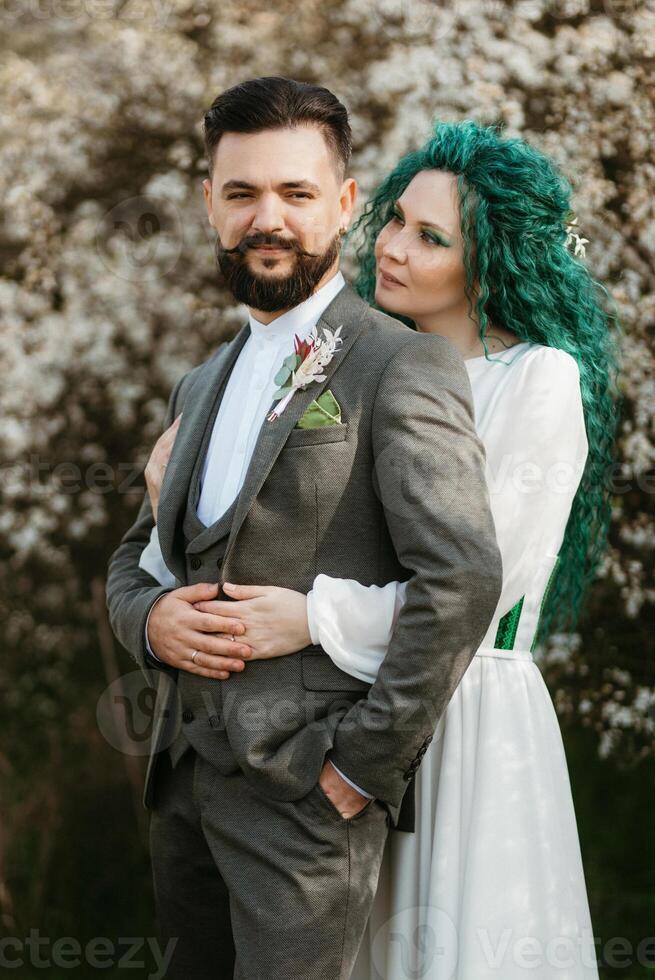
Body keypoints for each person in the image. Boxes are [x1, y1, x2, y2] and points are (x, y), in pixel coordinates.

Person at [142, 119, 621, 978]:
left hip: (463, 712)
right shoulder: (338, 363)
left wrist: (314, 617)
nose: (393, 248)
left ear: (493, 259)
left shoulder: (537, 379)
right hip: (349, 711)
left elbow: (483, 583)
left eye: (431, 237)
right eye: (396, 220)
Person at [105, 80, 503, 980]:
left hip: (306, 795)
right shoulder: (199, 382)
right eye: (241, 194)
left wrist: (361, 770)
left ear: (346, 204)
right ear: (211, 205)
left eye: (295, 193)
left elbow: (463, 578)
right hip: (181, 786)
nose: (267, 219)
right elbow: (139, 560)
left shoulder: (400, 365)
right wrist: (152, 627)